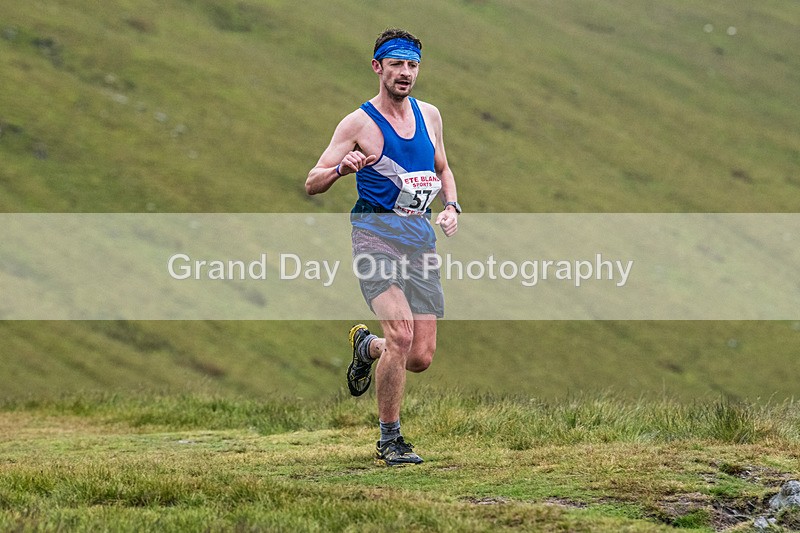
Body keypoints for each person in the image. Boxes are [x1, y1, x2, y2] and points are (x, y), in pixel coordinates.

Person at [306, 28, 460, 466]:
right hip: (374, 237)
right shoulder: (358, 124)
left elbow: (443, 167)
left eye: (412, 65)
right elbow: (312, 182)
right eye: (396, 64)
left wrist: (452, 206)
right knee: (401, 334)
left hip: (420, 241)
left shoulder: (430, 115)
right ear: (378, 67)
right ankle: (390, 440)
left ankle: (365, 348)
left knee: (419, 357)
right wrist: (340, 167)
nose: (405, 73)